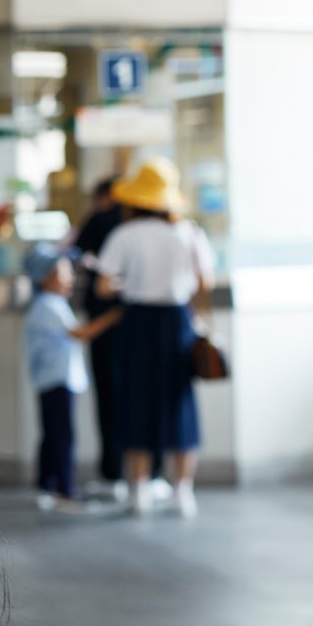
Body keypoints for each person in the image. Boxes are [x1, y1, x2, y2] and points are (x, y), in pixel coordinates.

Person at [94, 160, 215, 518]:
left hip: (137, 323)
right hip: (177, 322)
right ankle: (183, 491)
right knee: (181, 401)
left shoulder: (124, 235)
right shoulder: (189, 232)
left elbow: (103, 285)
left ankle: (141, 489)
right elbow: (204, 282)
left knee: (135, 399)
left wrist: (130, 283)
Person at [22, 245, 116, 511]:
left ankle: (47, 486)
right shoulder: (48, 306)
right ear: (45, 278)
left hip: (53, 379)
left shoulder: (50, 304)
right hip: (57, 380)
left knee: (53, 433)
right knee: (62, 436)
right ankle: (64, 491)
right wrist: (114, 316)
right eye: (63, 272)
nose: (71, 278)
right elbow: (79, 334)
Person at [70, 176, 131, 493]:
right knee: (137, 396)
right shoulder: (135, 225)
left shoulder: (100, 221)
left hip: (102, 325)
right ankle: (149, 472)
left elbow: (72, 253)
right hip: (136, 323)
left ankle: (114, 472)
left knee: (108, 396)